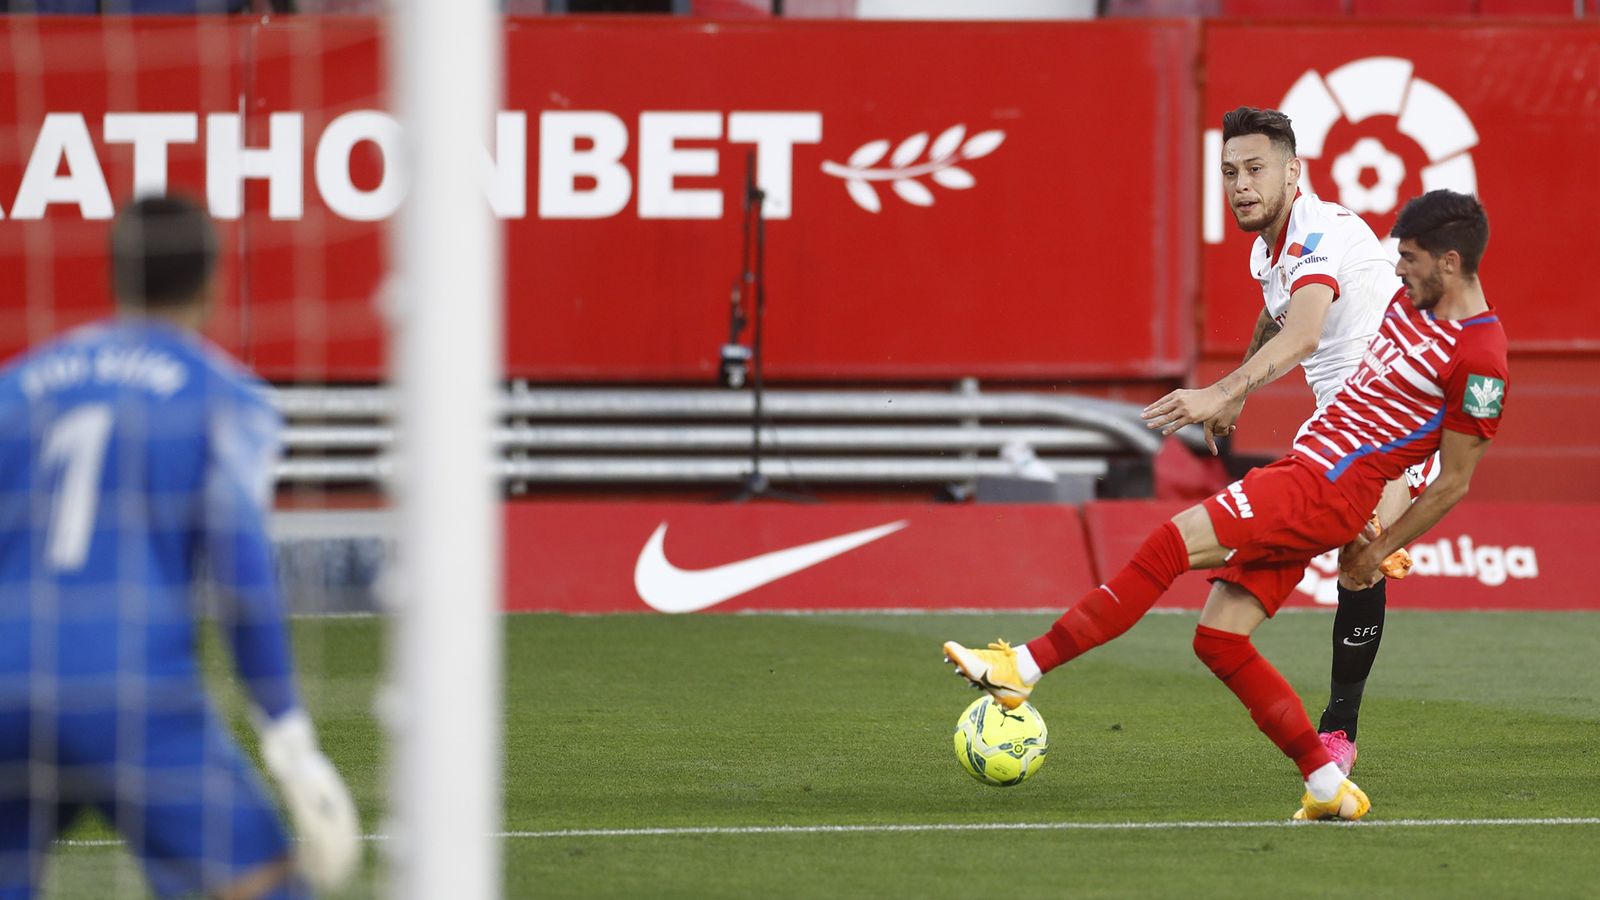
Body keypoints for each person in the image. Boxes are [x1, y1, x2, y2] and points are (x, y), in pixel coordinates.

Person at [945, 190, 1503, 820]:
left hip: (1325, 486)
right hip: (1310, 468)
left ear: (1450, 262)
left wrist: (1377, 547)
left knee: (1168, 544)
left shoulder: (1480, 360)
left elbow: (1453, 481)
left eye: (1409, 258)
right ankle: (1327, 787)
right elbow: (1298, 317)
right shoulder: (1407, 300)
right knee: (1219, 640)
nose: (1396, 268)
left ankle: (1022, 666)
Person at [0, 196, 358, 897]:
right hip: (129, 687)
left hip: (8, 678)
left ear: (113, 274)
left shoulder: (16, 389)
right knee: (266, 886)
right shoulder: (225, 399)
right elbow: (241, 570)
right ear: (214, 282)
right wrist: (287, 735)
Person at [1138, 106, 1432, 776]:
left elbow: (1302, 333)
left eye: (1255, 169)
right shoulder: (1267, 249)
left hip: (1396, 416)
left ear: (1293, 171)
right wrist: (1240, 391)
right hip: (1339, 425)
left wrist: (1219, 391)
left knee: (1360, 562)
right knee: (1320, 553)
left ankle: (1339, 732)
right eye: (1229, 173)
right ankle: (1230, 635)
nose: (1241, 184)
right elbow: (1276, 317)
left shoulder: (1319, 229)